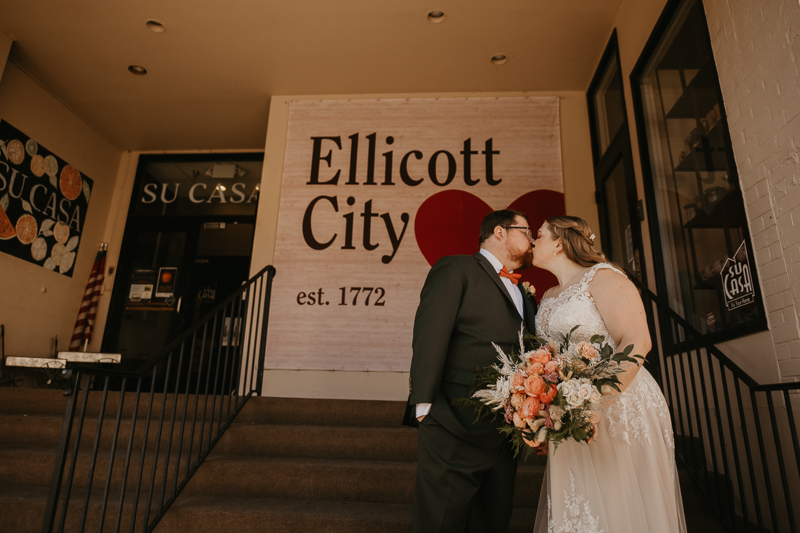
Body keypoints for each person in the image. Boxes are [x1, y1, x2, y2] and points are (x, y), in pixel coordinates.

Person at [530, 215, 686, 533]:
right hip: (571, 408)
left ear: (559, 242)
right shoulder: (548, 295)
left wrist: (597, 400)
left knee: (620, 501)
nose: (534, 241)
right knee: (581, 504)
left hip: (620, 400)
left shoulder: (603, 277)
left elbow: (637, 341)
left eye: (539, 235)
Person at [403, 209, 539, 533]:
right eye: (527, 231)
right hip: (454, 421)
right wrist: (423, 407)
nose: (532, 239)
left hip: (506, 430)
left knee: (493, 520)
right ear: (500, 232)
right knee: (438, 522)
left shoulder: (524, 292)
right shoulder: (456, 268)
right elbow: (430, 333)